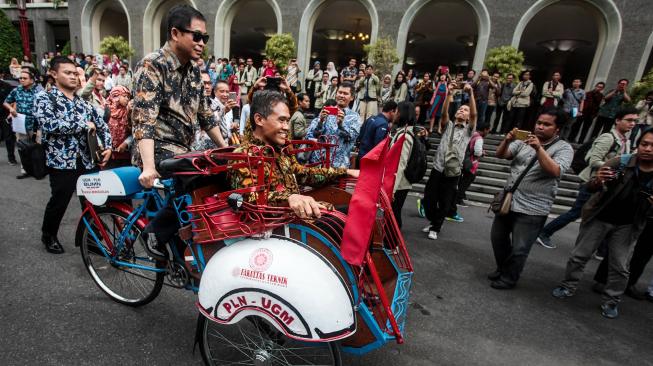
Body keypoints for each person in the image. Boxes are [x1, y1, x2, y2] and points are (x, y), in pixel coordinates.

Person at [551, 127, 653, 319]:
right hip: (600, 216)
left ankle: (611, 301)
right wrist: (598, 180)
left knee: (620, 266)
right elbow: (589, 186)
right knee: (579, 256)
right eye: (644, 144)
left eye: (652, 146)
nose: (647, 149)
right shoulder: (621, 162)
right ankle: (568, 285)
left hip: (628, 226)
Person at [229, 89, 359, 218]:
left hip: (298, 219)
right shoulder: (243, 156)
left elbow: (302, 174)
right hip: (277, 228)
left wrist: (344, 172)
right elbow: (247, 198)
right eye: (281, 120)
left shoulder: (282, 150)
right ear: (259, 119)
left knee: (355, 211)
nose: (286, 127)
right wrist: (289, 198)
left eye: (287, 121)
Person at [489, 107, 574, 289]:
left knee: (520, 248)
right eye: (539, 123)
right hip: (509, 201)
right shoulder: (523, 140)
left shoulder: (564, 148)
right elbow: (501, 154)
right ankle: (503, 268)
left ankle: (509, 278)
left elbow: (555, 171)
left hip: (533, 208)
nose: (541, 127)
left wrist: (539, 148)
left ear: (557, 129)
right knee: (498, 238)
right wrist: (507, 140)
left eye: (546, 124)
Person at [35, 56, 112, 254]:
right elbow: (49, 125)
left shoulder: (83, 102)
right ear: (53, 74)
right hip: (61, 162)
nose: (73, 77)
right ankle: (49, 234)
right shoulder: (44, 98)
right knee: (59, 201)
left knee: (92, 201)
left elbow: (102, 124)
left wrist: (109, 147)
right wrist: (82, 125)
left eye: (76, 73)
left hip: (87, 160)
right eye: (67, 73)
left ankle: (92, 239)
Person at [536, 107, 637, 249]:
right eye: (629, 120)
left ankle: (601, 248)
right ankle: (545, 232)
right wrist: (615, 167)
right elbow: (593, 160)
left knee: (601, 213)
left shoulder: (626, 141)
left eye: (635, 121)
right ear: (617, 121)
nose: (632, 124)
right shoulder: (608, 138)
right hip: (592, 181)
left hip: (607, 183)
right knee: (577, 212)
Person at [421, 83, 477, 240]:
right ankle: (433, 221)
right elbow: (444, 113)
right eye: (460, 109)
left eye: (465, 110)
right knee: (428, 199)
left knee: (445, 202)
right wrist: (449, 94)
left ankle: (436, 227)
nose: (462, 111)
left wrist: (471, 93)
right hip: (438, 168)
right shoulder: (448, 125)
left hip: (453, 172)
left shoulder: (468, 130)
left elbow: (474, 115)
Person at [306, 82, 360, 168]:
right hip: (319, 162)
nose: (342, 95)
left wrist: (341, 125)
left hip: (339, 165)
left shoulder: (354, 117)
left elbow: (351, 137)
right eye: (340, 92)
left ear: (352, 97)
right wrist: (321, 121)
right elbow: (312, 135)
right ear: (336, 94)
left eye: (345, 93)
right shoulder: (326, 111)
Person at [3, 68, 39, 178]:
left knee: (37, 148)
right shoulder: (17, 90)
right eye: (20, 78)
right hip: (21, 123)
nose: (22, 80)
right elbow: (6, 102)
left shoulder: (39, 92)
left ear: (32, 80)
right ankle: (25, 170)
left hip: (36, 124)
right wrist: (11, 109)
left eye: (25, 78)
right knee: (23, 148)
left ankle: (38, 170)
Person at [391, 101, 419, 228]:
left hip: (399, 184)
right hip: (400, 183)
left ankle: (392, 244)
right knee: (393, 214)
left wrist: (393, 189)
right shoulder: (403, 132)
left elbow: (400, 164)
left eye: (397, 111)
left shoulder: (404, 135)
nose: (395, 113)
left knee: (394, 215)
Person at [357, 100, 398, 165]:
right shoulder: (383, 124)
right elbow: (379, 145)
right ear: (391, 111)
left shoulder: (371, 118)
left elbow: (360, 135)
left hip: (360, 156)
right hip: (370, 160)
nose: (396, 116)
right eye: (396, 113)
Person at [104, 85, 132, 168]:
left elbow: (134, 132)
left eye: (128, 97)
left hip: (126, 155)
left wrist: (126, 143)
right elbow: (102, 130)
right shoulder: (106, 111)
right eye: (124, 96)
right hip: (109, 154)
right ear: (115, 96)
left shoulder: (129, 112)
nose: (127, 99)